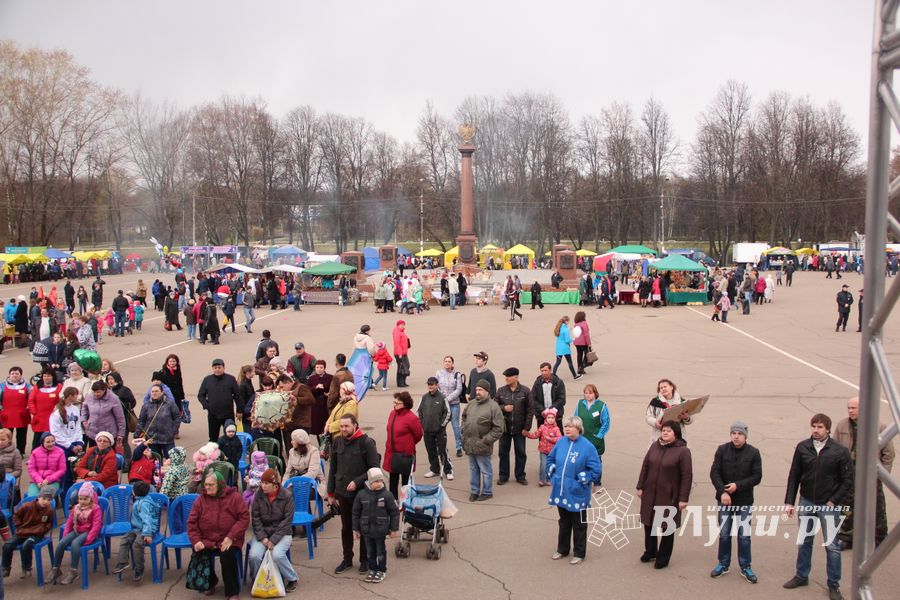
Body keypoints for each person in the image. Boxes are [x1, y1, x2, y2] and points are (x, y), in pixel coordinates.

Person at [783, 414, 854, 600]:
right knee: (804, 541)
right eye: (813, 426)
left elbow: (848, 480)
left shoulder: (839, 451)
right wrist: (790, 502)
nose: (816, 430)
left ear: (828, 429)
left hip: (828, 505)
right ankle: (801, 575)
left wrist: (834, 501)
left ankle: (833, 584)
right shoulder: (802, 447)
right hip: (806, 501)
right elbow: (794, 475)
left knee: (832, 546)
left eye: (820, 427)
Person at [833, 396, 894, 549]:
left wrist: (882, 475)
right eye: (849, 408)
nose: (850, 411)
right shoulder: (842, 426)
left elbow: (889, 453)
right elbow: (835, 449)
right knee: (847, 507)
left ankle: (880, 539)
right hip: (848, 473)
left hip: (870, 473)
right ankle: (847, 537)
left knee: (876, 507)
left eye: (853, 408)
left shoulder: (878, 427)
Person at [709, 421, 763, 583]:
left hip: (744, 501)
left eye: (739, 434)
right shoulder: (722, 450)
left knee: (744, 535)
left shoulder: (753, 453)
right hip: (724, 500)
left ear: (745, 436)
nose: (736, 436)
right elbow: (714, 473)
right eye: (734, 433)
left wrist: (737, 486)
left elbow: (756, 476)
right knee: (725, 533)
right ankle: (723, 564)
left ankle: (745, 566)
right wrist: (723, 491)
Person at [327, 414, 380, 575]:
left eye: (346, 426)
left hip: (363, 494)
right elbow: (333, 469)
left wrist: (357, 482)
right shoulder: (337, 442)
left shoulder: (366, 443)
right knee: (346, 528)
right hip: (343, 493)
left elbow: (374, 469)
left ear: (355, 425)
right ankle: (347, 559)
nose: (343, 429)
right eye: (341, 426)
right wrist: (330, 492)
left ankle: (365, 560)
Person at [636, 420, 692, 569]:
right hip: (650, 492)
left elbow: (687, 476)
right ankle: (650, 551)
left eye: (669, 430)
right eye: (664, 430)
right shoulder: (655, 446)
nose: (665, 433)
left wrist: (683, 498)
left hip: (669, 495)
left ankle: (663, 557)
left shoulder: (683, 451)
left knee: (666, 527)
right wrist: (640, 486)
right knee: (649, 523)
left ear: (676, 433)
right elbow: (645, 466)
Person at [547, 415, 602, 565]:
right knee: (564, 522)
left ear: (578, 429)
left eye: (570, 427)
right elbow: (550, 459)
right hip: (561, 491)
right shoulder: (561, 442)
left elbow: (596, 469)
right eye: (565, 426)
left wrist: (585, 477)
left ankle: (579, 552)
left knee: (579, 524)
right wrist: (552, 470)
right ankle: (562, 549)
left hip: (578, 493)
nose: (567, 429)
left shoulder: (587, 446)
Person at [187, 471, 250, 600]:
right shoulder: (201, 500)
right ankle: (209, 582)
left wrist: (231, 536)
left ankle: (232, 591)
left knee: (227, 555)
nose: (207, 487)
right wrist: (196, 540)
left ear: (220, 484)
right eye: (206, 485)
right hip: (207, 539)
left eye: (211, 484)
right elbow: (192, 522)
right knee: (199, 551)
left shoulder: (235, 498)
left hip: (230, 539)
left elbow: (244, 518)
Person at [247, 469, 299, 592]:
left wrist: (274, 539)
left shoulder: (287, 496)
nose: (263, 486)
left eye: (266, 483)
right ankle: (256, 579)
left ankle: (292, 578)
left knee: (277, 555)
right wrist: (263, 538)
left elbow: (287, 521)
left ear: (275, 485)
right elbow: (256, 519)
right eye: (262, 483)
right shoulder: (258, 496)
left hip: (282, 534)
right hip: (263, 534)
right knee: (254, 556)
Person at [352, 468, 400, 584]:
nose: (379, 484)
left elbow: (394, 512)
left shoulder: (387, 495)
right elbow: (355, 513)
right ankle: (372, 569)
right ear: (369, 482)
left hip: (381, 530)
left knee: (380, 552)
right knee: (369, 552)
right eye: (376, 481)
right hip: (366, 531)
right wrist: (356, 529)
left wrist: (394, 529)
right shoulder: (361, 495)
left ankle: (381, 570)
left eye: (381, 481)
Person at [50, 483, 102, 586]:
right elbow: (69, 522)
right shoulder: (76, 507)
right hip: (77, 530)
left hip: (88, 531)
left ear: (91, 498)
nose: (82, 501)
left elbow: (96, 525)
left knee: (75, 544)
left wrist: (89, 539)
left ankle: (73, 571)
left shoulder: (95, 509)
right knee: (61, 543)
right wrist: (65, 535)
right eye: (80, 499)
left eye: (85, 499)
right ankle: (56, 569)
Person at [461, 379, 505, 502]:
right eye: (476, 390)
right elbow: (464, 417)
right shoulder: (471, 403)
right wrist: (463, 428)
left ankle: (487, 492)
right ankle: (474, 491)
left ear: (487, 391)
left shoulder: (493, 407)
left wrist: (486, 440)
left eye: (480, 390)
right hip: (470, 444)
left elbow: (499, 428)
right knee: (473, 469)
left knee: (485, 471)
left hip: (483, 445)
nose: (478, 392)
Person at [2, 485, 54, 579]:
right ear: (39, 497)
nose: (46, 501)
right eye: (44, 498)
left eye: (49, 500)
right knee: (7, 545)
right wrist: (18, 526)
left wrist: (43, 530)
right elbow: (16, 515)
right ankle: (5, 568)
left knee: (27, 544)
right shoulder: (27, 506)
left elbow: (49, 523)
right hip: (22, 532)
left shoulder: (49, 510)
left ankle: (27, 568)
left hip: (37, 534)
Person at [111, 480, 159, 582]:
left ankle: (139, 569)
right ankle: (123, 562)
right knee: (124, 539)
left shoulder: (143, 504)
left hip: (147, 531)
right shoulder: (140, 500)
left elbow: (147, 520)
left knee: (137, 544)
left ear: (135, 492)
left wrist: (147, 534)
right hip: (137, 529)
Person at [494, 367, 533, 486]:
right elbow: (494, 407)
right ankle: (503, 476)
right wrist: (503, 408)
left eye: (509, 376)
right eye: (505, 376)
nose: (506, 378)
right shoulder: (501, 391)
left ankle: (520, 475)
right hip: (505, 428)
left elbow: (530, 410)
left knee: (521, 452)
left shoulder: (525, 391)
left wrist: (527, 428)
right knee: (503, 452)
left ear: (516, 377)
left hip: (520, 428)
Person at [382, 391, 423, 499]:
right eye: (394, 402)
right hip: (392, 453)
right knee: (393, 482)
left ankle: (406, 503)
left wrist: (408, 444)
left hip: (405, 456)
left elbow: (418, 435)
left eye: (397, 403)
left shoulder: (412, 418)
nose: (395, 404)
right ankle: (393, 503)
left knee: (406, 483)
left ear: (405, 404)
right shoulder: (392, 414)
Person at [197, 359, 241, 442]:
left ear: (223, 368)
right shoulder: (207, 380)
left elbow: (237, 395)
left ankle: (230, 453)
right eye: (215, 367)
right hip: (213, 414)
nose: (217, 369)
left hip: (227, 414)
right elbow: (201, 395)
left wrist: (239, 410)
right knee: (213, 438)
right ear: (212, 369)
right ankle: (214, 454)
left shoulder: (231, 379)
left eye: (219, 367)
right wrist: (207, 406)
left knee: (230, 436)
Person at [575, 383, 610, 485]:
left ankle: (597, 482)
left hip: (595, 439)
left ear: (595, 393)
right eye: (586, 393)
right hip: (582, 438)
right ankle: (585, 480)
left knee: (596, 462)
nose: (588, 395)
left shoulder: (601, 406)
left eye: (590, 393)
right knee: (582, 461)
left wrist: (599, 435)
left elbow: (606, 422)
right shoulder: (580, 404)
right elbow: (575, 418)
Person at [418, 377, 452, 480]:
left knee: (442, 451)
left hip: (440, 431)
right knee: (430, 451)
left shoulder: (442, 397)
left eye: (432, 384)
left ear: (437, 385)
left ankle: (448, 470)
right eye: (429, 384)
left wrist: (441, 425)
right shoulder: (424, 397)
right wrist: (423, 424)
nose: (430, 386)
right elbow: (419, 412)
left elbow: (448, 413)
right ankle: (434, 469)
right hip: (427, 430)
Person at [136, 383, 181, 459]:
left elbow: (177, 417)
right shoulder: (146, 405)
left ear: (162, 392)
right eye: (152, 391)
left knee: (171, 460)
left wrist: (173, 431)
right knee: (155, 462)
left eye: (156, 391)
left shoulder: (170, 403)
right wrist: (137, 434)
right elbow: (141, 420)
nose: (154, 393)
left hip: (167, 439)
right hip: (151, 439)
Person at [523, 408, 562, 487]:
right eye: (549, 418)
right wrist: (528, 434)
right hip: (543, 450)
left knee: (550, 466)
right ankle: (542, 479)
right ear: (546, 418)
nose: (550, 420)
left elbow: (559, 438)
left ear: (555, 419)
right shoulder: (542, 427)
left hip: (552, 451)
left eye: (552, 418)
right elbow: (536, 435)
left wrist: (550, 439)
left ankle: (549, 479)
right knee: (543, 465)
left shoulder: (556, 429)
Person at [645, 378, 690, 444]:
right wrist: (655, 423)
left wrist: (686, 417)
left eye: (665, 387)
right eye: (661, 388)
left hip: (678, 438)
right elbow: (648, 417)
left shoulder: (681, 401)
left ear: (672, 387)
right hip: (660, 437)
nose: (663, 389)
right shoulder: (655, 402)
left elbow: (690, 420)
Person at [28, 368, 63, 450]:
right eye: (45, 376)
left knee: (54, 436)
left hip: (54, 417)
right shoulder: (37, 387)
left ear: (53, 377)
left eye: (49, 376)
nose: (47, 378)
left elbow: (61, 401)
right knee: (37, 438)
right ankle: (34, 454)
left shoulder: (59, 386)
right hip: (40, 417)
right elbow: (31, 401)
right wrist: (34, 413)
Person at [0, 366, 32, 455]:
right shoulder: (2, 386)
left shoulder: (27, 386)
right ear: (9, 375)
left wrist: (28, 407)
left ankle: (20, 452)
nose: (14, 375)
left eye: (17, 373)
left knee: (21, 435)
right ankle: (5, 451)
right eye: (12, 373)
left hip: (22, 415)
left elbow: (31, 399)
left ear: (20, 375)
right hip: (6, 415)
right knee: (5, 435)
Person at [286, 429, 325, 499]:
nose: (291, 442)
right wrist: (284, 485)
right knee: (284, 493)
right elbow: (288, 472)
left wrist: (294, 482)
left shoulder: (314, 451)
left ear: (299, 441)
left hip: (314, 483)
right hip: (295, 482)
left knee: (296, 493)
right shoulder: (291, 451)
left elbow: (312, 474)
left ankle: (304, 510)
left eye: (293, 440)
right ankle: (297, 510)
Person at [26, 432, 65, 497]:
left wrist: (48, 480)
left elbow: (62, 470)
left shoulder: (60, 452)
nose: (51, 444)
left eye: (53, 441)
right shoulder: (35, 452)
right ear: (42, 443)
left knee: (45, 497)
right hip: (36, 482)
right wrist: (39, 481)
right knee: (32, 498)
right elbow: (31, 469)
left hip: (53, 481)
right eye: (48, 442)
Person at [532, 362, 567, 428]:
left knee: (558, 437)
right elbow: (533, 399)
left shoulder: (559, 382)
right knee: (542, 437)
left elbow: (562, 400)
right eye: (542, 371)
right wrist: (542, 410)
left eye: (545, 370)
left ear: (550, 370)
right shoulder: (537, 383)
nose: (544, 373)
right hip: (541, 416)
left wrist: (550, 411)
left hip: (556, 416)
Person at [49, 387, 83, 453]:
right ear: (70, 396)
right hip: (62, 446)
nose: (78, 397)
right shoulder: (57, 412)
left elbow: (78, 427)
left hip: (75, 444)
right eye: (76, 395)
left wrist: (79, 442)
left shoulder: (75, 409)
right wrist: (70, 446)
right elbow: (55, 432)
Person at [307, 360, 333, 437]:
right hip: (316, 406)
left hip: (326, 405)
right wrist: (316, 388)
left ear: (324, 368)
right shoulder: (311, 378)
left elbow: (333, 389)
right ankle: (320, 444)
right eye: (317, 367)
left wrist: (327, 392)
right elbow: (308, 390)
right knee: (317, 428)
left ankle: (328, 443)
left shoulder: (330, 377)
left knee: (327, 425)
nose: (319, 369)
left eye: (321, 367)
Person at [392, 320, 410, 388]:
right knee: (402, 367)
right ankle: (400, 383)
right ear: (398, 325)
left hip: (403, 352)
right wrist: (400, 354)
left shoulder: (401, 332)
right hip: (399, 353)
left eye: (403, 324)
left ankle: (402, 382)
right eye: (401, 324)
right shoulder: (397, 332)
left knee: (405, 366)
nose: (403, 325)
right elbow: (397, 344)